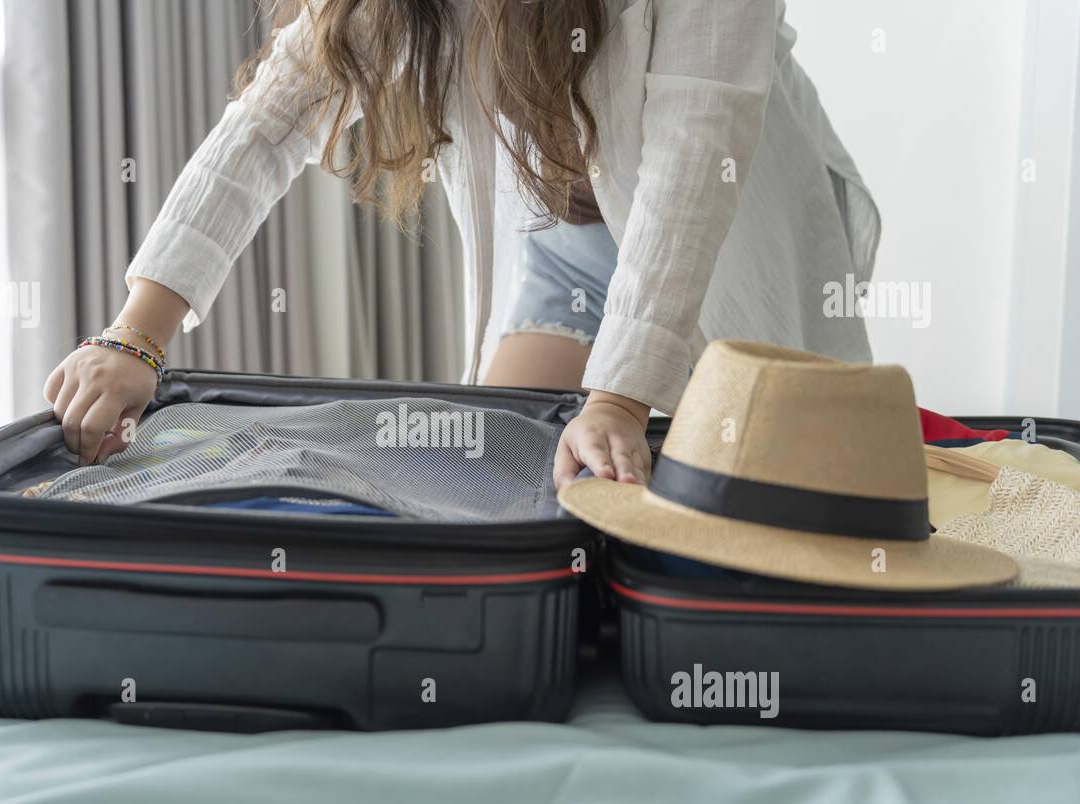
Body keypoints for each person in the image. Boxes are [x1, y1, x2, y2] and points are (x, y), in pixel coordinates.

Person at [44, 0, 878, 488]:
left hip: (724, 224)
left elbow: (696, 151)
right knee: (506, 478)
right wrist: (136, 334)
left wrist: (622, 398)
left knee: (764, 486)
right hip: (562, 234)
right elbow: (272, 122)